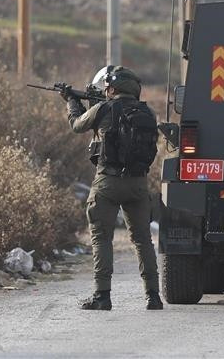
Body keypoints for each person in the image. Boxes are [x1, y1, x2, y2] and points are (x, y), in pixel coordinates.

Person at [62, 65, 163, 310]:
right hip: (138, 184)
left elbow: (77, 125)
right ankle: (153, 296)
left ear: (112, 88)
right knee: (142, 240)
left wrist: (71, 101)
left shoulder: (103, 108)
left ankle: (102, 296)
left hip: (107, 182)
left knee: (102, 238)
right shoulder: (147, 113)